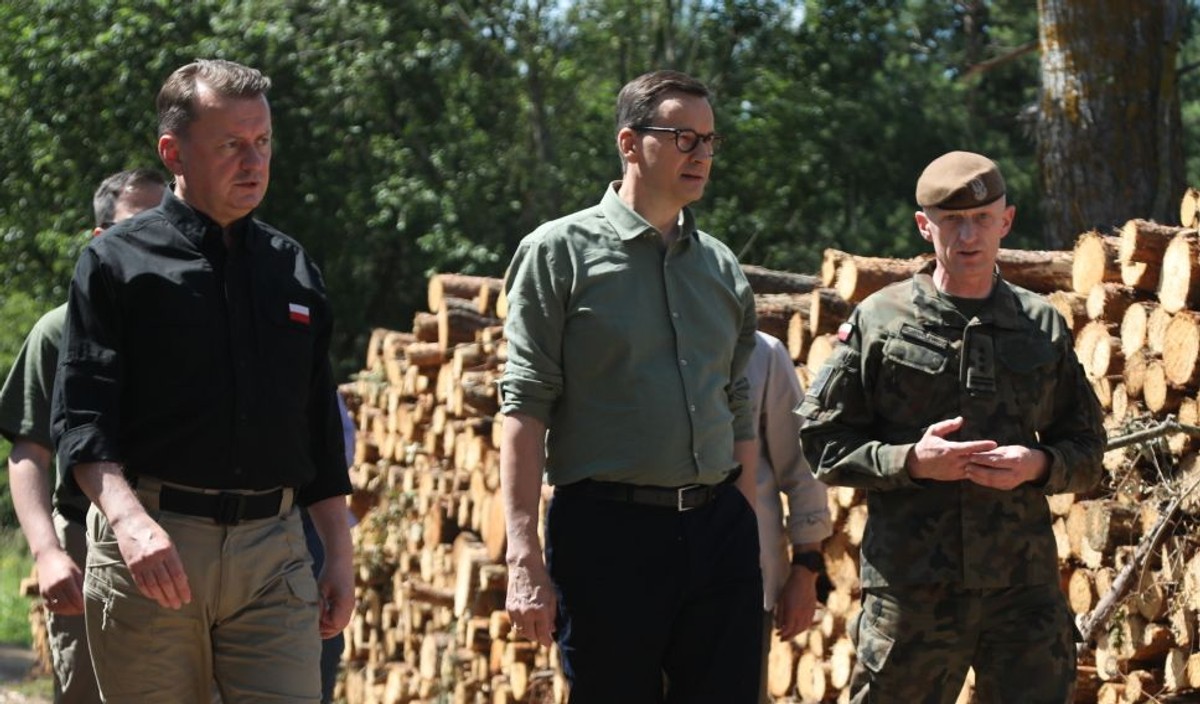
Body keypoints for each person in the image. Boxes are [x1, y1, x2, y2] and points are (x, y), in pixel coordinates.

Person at [51, 58, 353, 704]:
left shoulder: (293, 269)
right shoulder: (114, 264)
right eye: (232, 145)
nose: (254, 162)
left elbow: (320, 434)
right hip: (154, 551)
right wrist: (129, 524)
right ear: (174, 152)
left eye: (263, 142)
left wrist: (339, 554)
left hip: (275, 555)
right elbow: (82, 422)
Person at [798, 150, 1105, 704]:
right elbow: (821, 442)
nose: (968, 235)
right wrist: (910, 461)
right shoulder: (881, 320)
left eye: (983, 219)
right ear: (924, 226)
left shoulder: (1041, 324)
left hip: (1023, 591)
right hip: (913, 590)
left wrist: (1037, 466)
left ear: (1006, 221)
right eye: (951, 221)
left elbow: (1086, 448)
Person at [499, 69, 762, 704]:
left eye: (708, 140)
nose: (700, 154)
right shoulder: (557, 252)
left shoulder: (722, 265)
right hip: (608, 537)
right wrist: (522, 557)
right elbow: (525, 408)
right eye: (681, 137)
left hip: (719, 530)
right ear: (628, 143)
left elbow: (738, 405)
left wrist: (746, 522)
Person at [0, 168, 166, 704]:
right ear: (101, 238)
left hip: (190, 539)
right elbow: (29, 451)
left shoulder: (197, 329)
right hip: (88, 541)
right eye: (137, 226)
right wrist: (47, 552)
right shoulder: (58, 330)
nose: (156, 239)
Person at [746, 330, 831, 703]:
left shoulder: (761, 351)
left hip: (747, 583)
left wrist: (806, 567)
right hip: (643, 584)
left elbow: (802, 468)